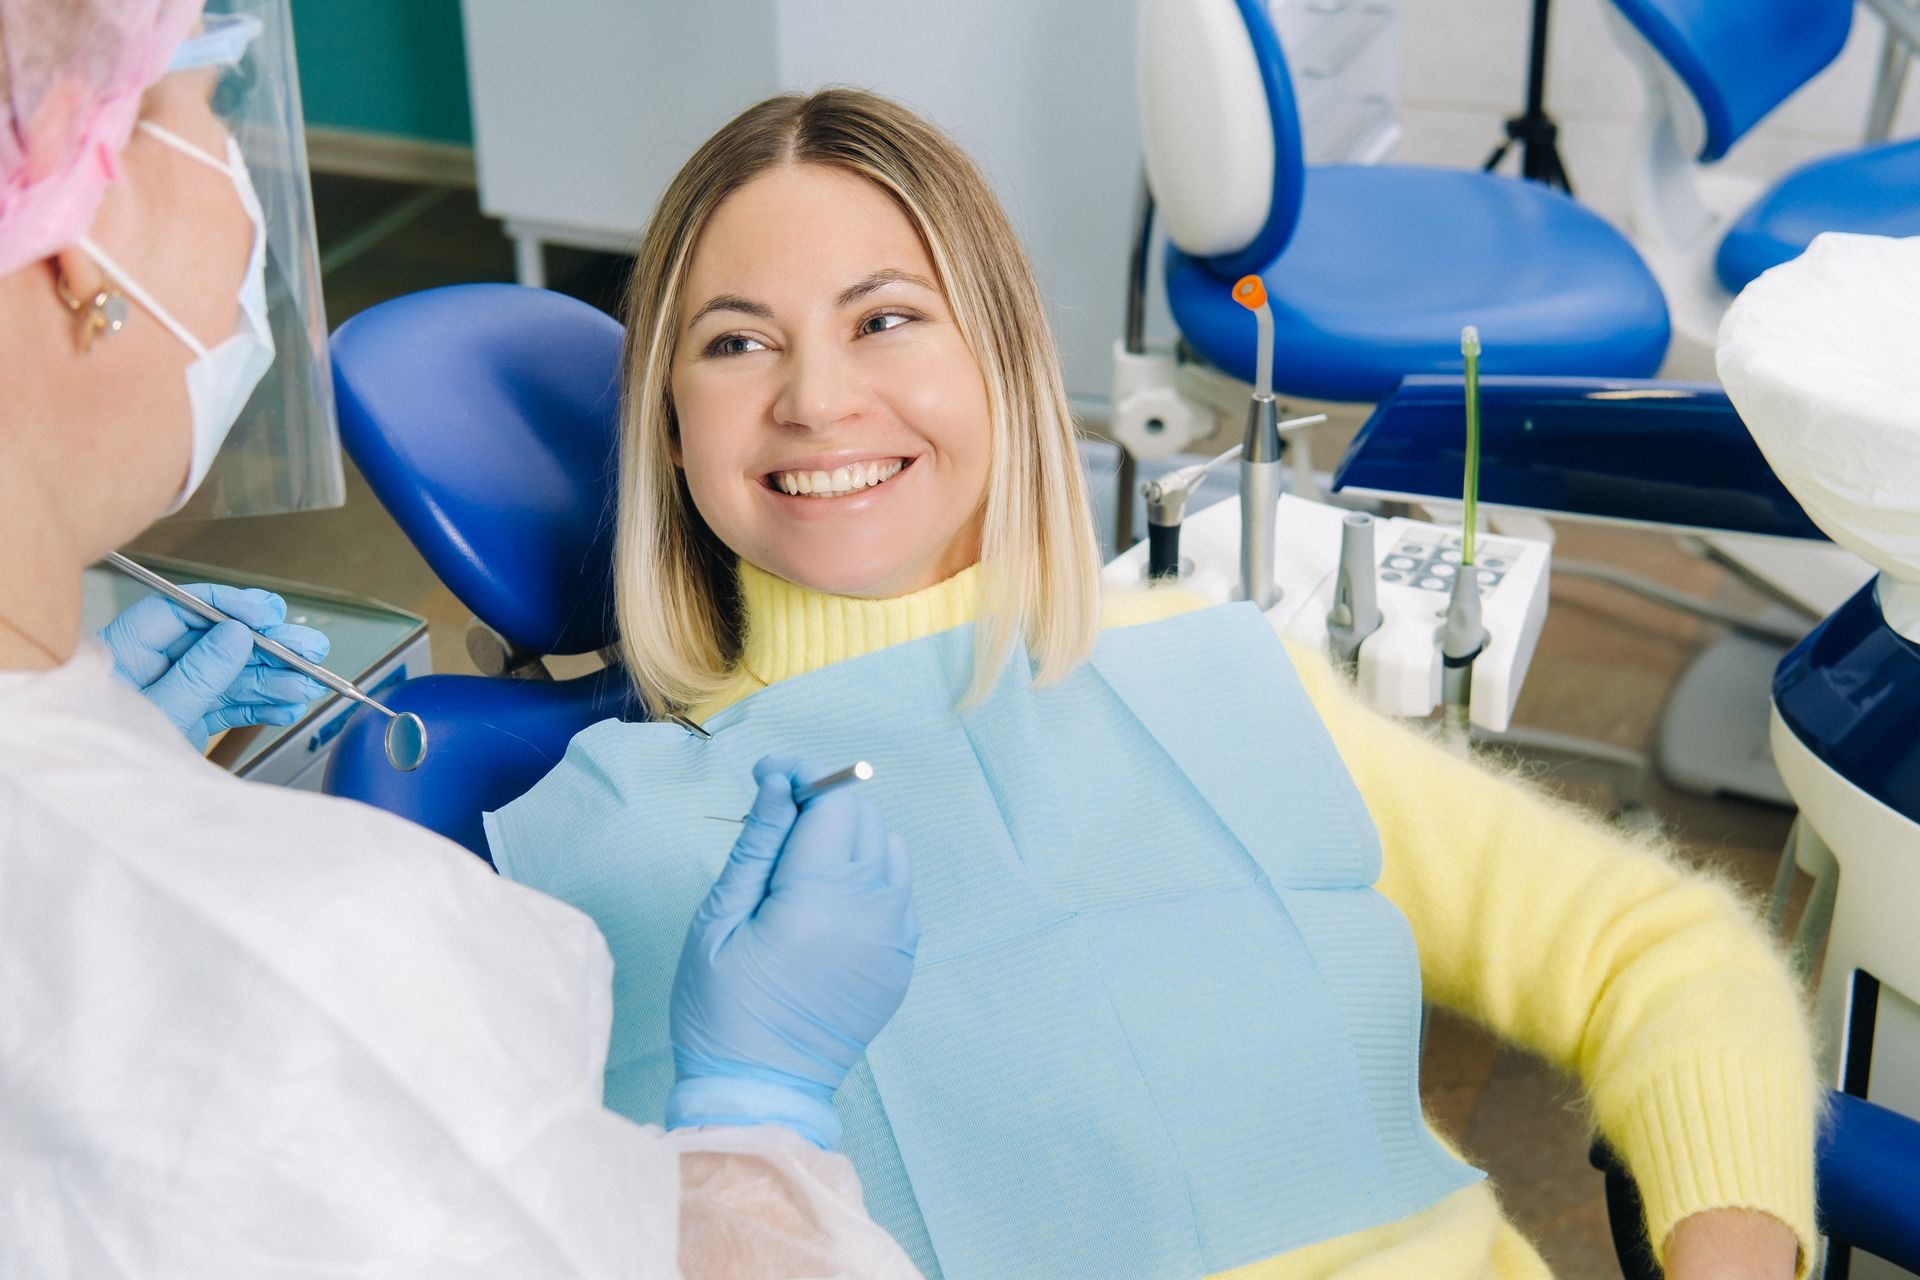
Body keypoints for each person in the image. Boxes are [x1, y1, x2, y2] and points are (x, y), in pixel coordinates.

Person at [489, 90, 1821, 1280]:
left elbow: (1659, 947)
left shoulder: (1211, 674)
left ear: (1004, 365)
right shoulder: (604, 856)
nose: (818, 399)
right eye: (735, 344)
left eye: (886, 319)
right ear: (670, 427)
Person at [0, 6, 923, 1277]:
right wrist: (749, 1119)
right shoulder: (326, 967)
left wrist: (101, 765)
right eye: (214, 121)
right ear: (75, 246)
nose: (818, 401)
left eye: (886, 319)